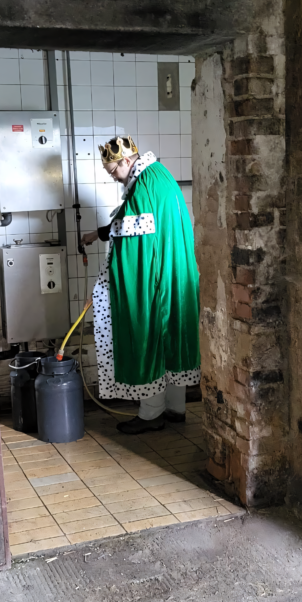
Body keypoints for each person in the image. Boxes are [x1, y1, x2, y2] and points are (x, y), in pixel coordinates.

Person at [81, 135, 200, 434]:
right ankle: (175, 409)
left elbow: (134, 238)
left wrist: (116, 284)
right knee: (171, 338)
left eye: (113, 171)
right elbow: (133, 224)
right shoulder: (159, 175)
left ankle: (151, 414)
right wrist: (98, 234)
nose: (113, 177)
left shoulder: (144, 185)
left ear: (125, 160)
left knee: (147, 334)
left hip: (154, 279)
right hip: (174, 274)